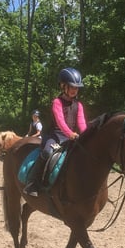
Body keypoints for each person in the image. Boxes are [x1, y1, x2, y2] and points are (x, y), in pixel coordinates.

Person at [23, 67, 88, 196]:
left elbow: (81, 123)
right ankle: (32, 183)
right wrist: (70, 134)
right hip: (55, 135)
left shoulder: (78, 105)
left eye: (77, 88)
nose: (75, 90)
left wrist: (87, 135)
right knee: (47, 152)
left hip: (71, 137)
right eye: (72, 87)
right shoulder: (57, 102)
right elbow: (60, 122)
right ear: (63, 86)